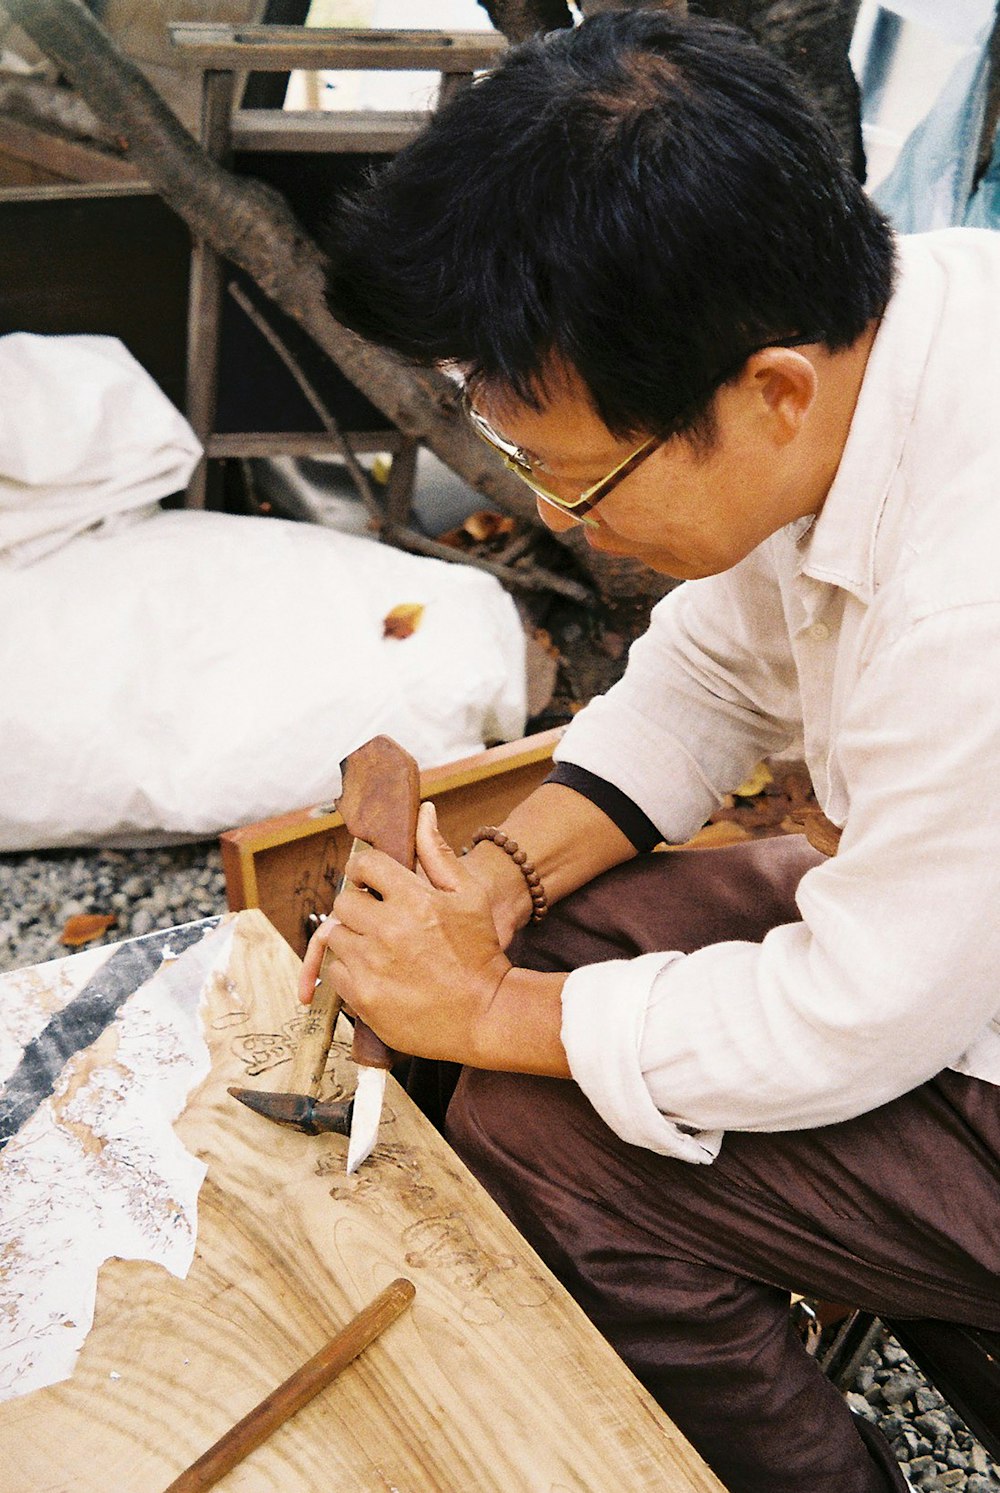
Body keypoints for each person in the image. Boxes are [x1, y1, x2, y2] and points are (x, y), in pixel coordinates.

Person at [301, 12, 1000, 1492]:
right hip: (947, 942)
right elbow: (711, 671)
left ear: (769, 395)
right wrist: (498, 887)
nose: (561, 519)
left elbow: (857, 1014)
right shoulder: (879, 330)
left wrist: (484, 1008)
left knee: (551, 1141)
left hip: (966, 1030)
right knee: (581, 944)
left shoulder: (971, 595)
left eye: (575, 480)